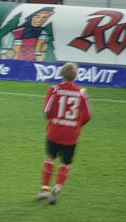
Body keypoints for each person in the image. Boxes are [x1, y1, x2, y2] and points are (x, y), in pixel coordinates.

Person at [37, 62, 92, 204]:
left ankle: (44, 190)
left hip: (54, 131)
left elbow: (46, 112)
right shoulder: (81, 93)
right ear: (76, 75)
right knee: (66, 164)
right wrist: (75, 125)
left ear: (61, 73)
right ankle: (58, 187)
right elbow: (87, 116)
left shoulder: (54, 90)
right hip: (71, 135)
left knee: (49, 158)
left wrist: (54, 120)